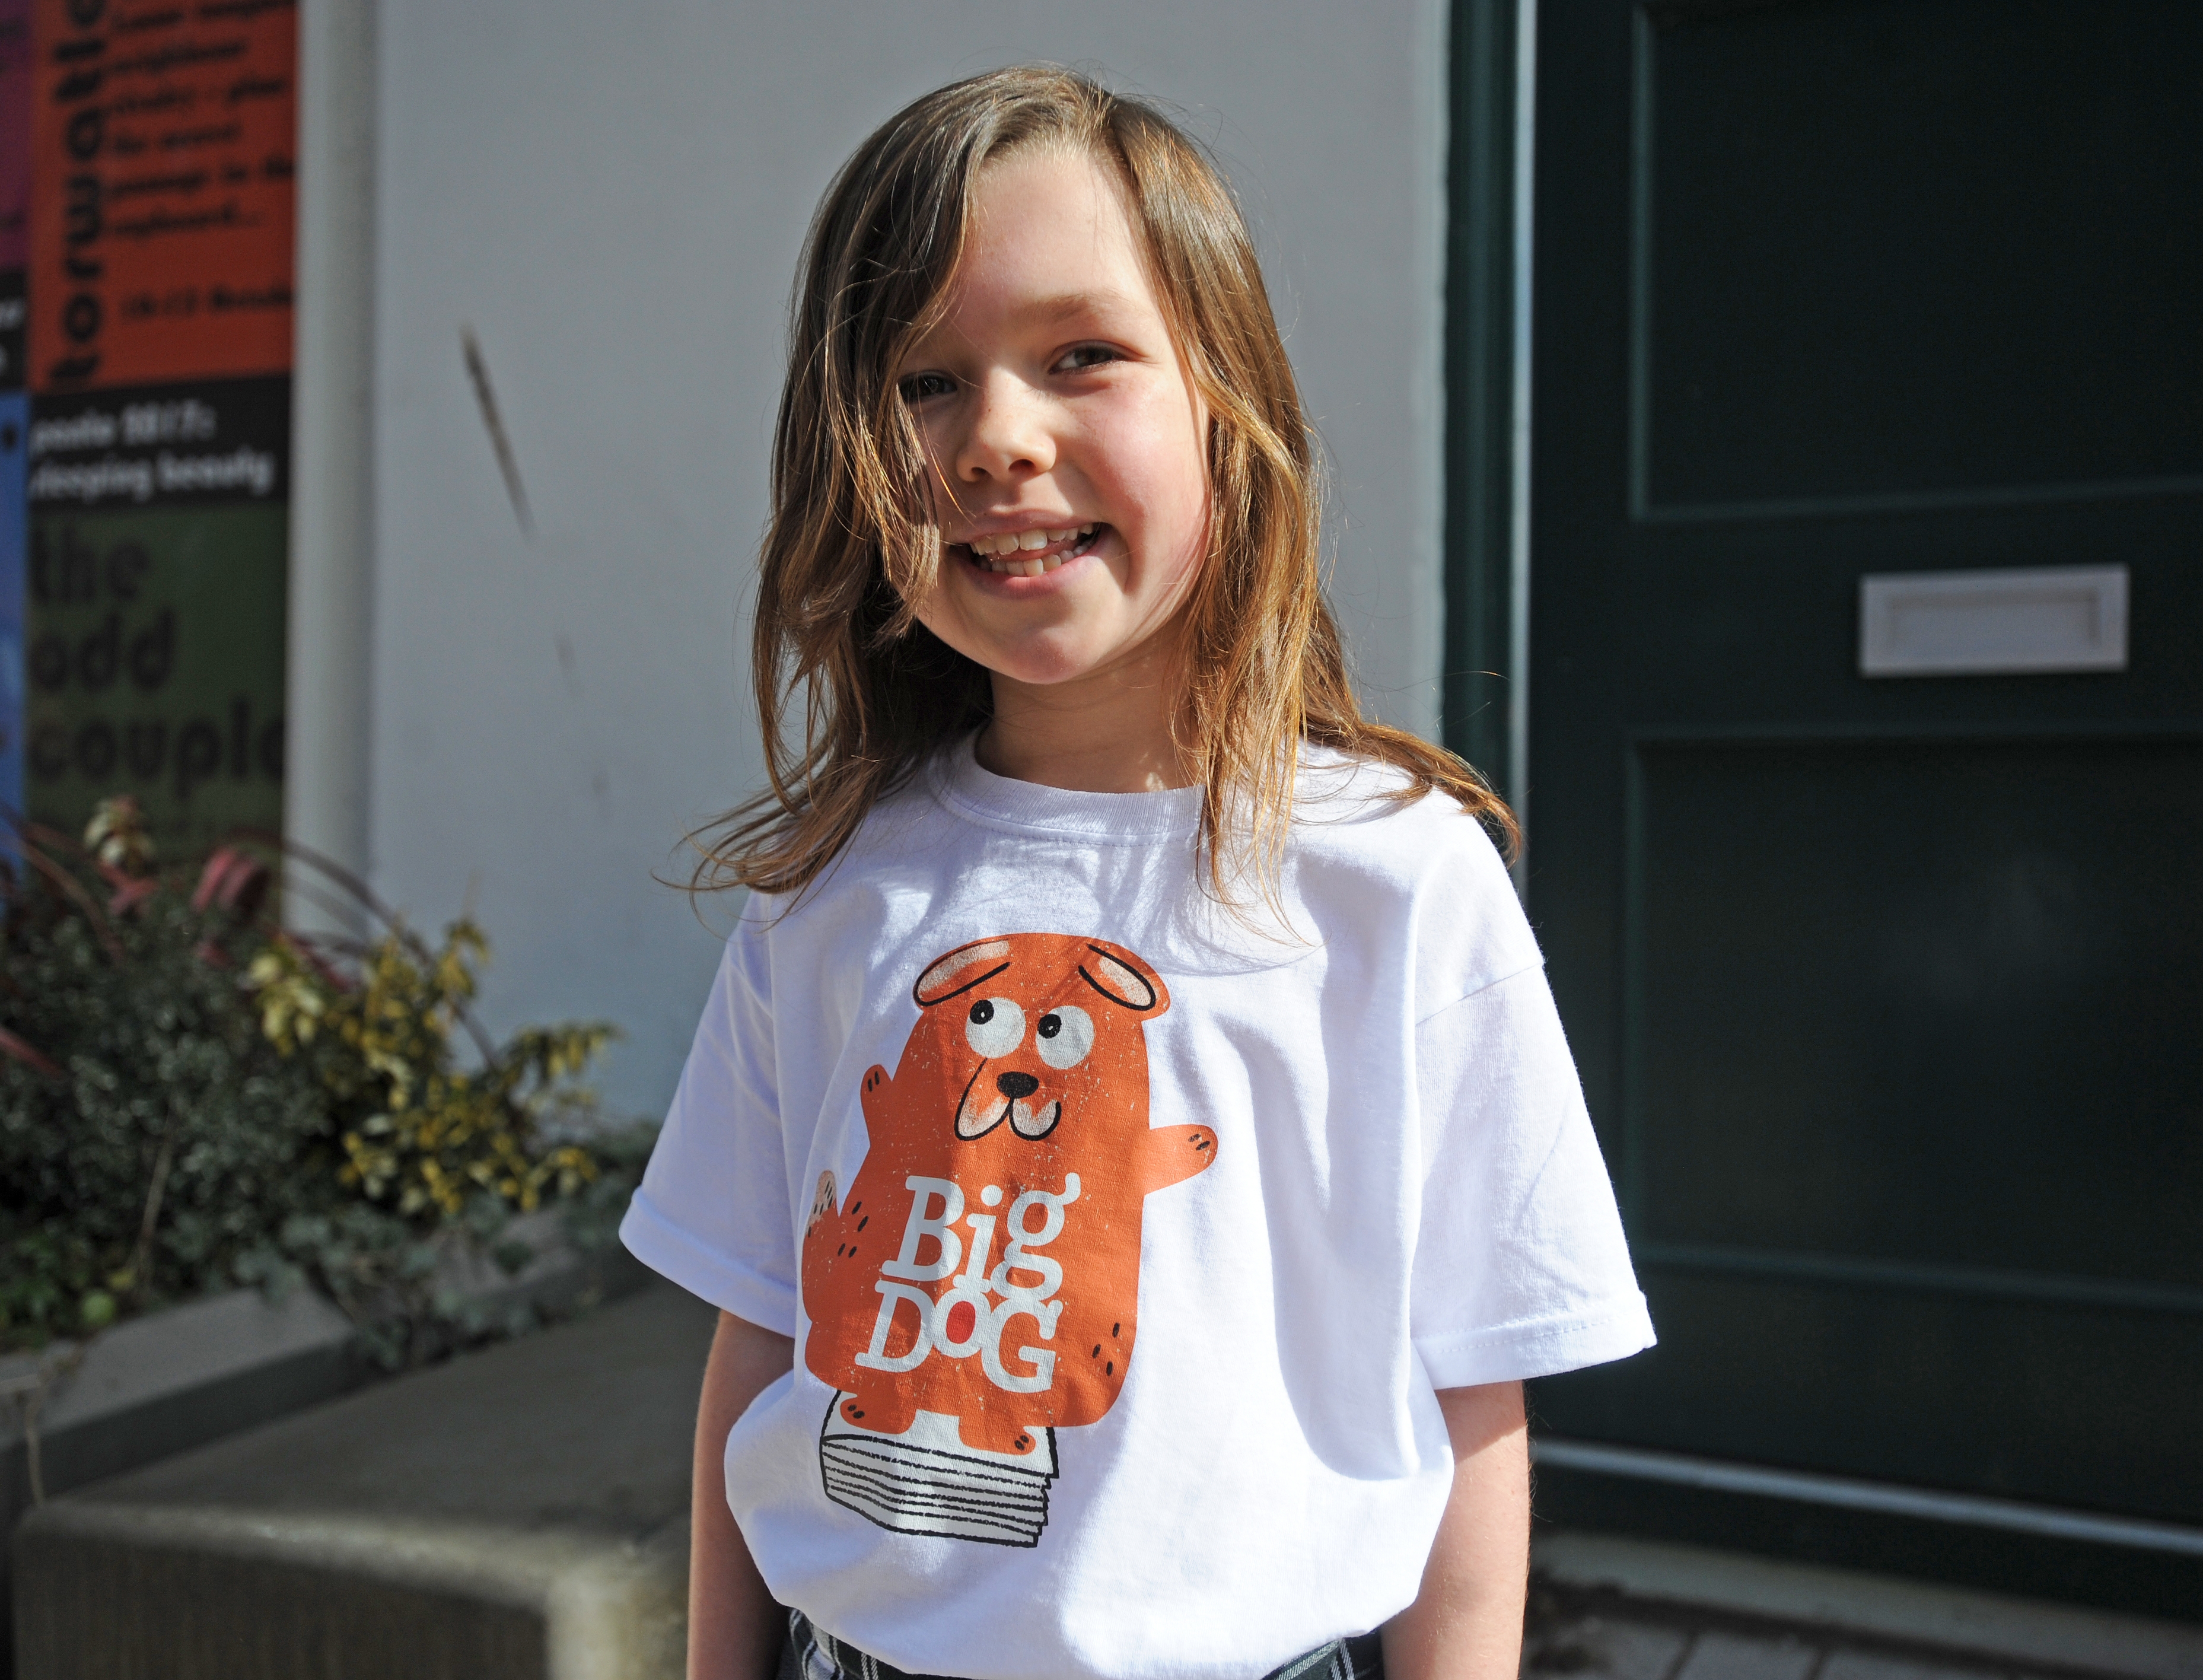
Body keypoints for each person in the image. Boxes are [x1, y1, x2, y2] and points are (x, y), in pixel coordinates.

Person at [621, 64, 1653, 1680]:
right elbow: (761, 1335)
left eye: (1080, 355)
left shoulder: (1393, 881)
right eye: (921, 384)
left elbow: (1474, 1390)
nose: (996, 441)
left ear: (1228, 412)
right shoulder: (831, 890)